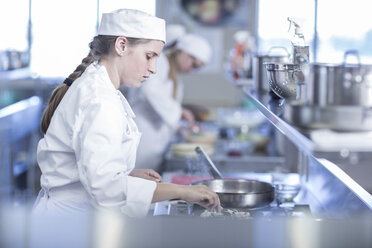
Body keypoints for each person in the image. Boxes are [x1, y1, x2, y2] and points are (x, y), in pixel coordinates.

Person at [33, 9, 220, 218]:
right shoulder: (99, 100)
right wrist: (183, 192)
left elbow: (86, 169)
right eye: (149, 56)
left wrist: (128, 175)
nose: (154, 69)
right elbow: (107, 190)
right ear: (121, 46)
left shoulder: (101, 87)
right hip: (68, 224)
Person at [127, 32, 212, 171]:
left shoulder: (173, 74)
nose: (192, 71)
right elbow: (150, 91)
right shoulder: (160, 63)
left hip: (155, 143)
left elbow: (166, 109)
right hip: (143, 141)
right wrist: (180, 112)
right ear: (184, 53)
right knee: (135, 185)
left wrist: (179, 127)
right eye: (194, 65)